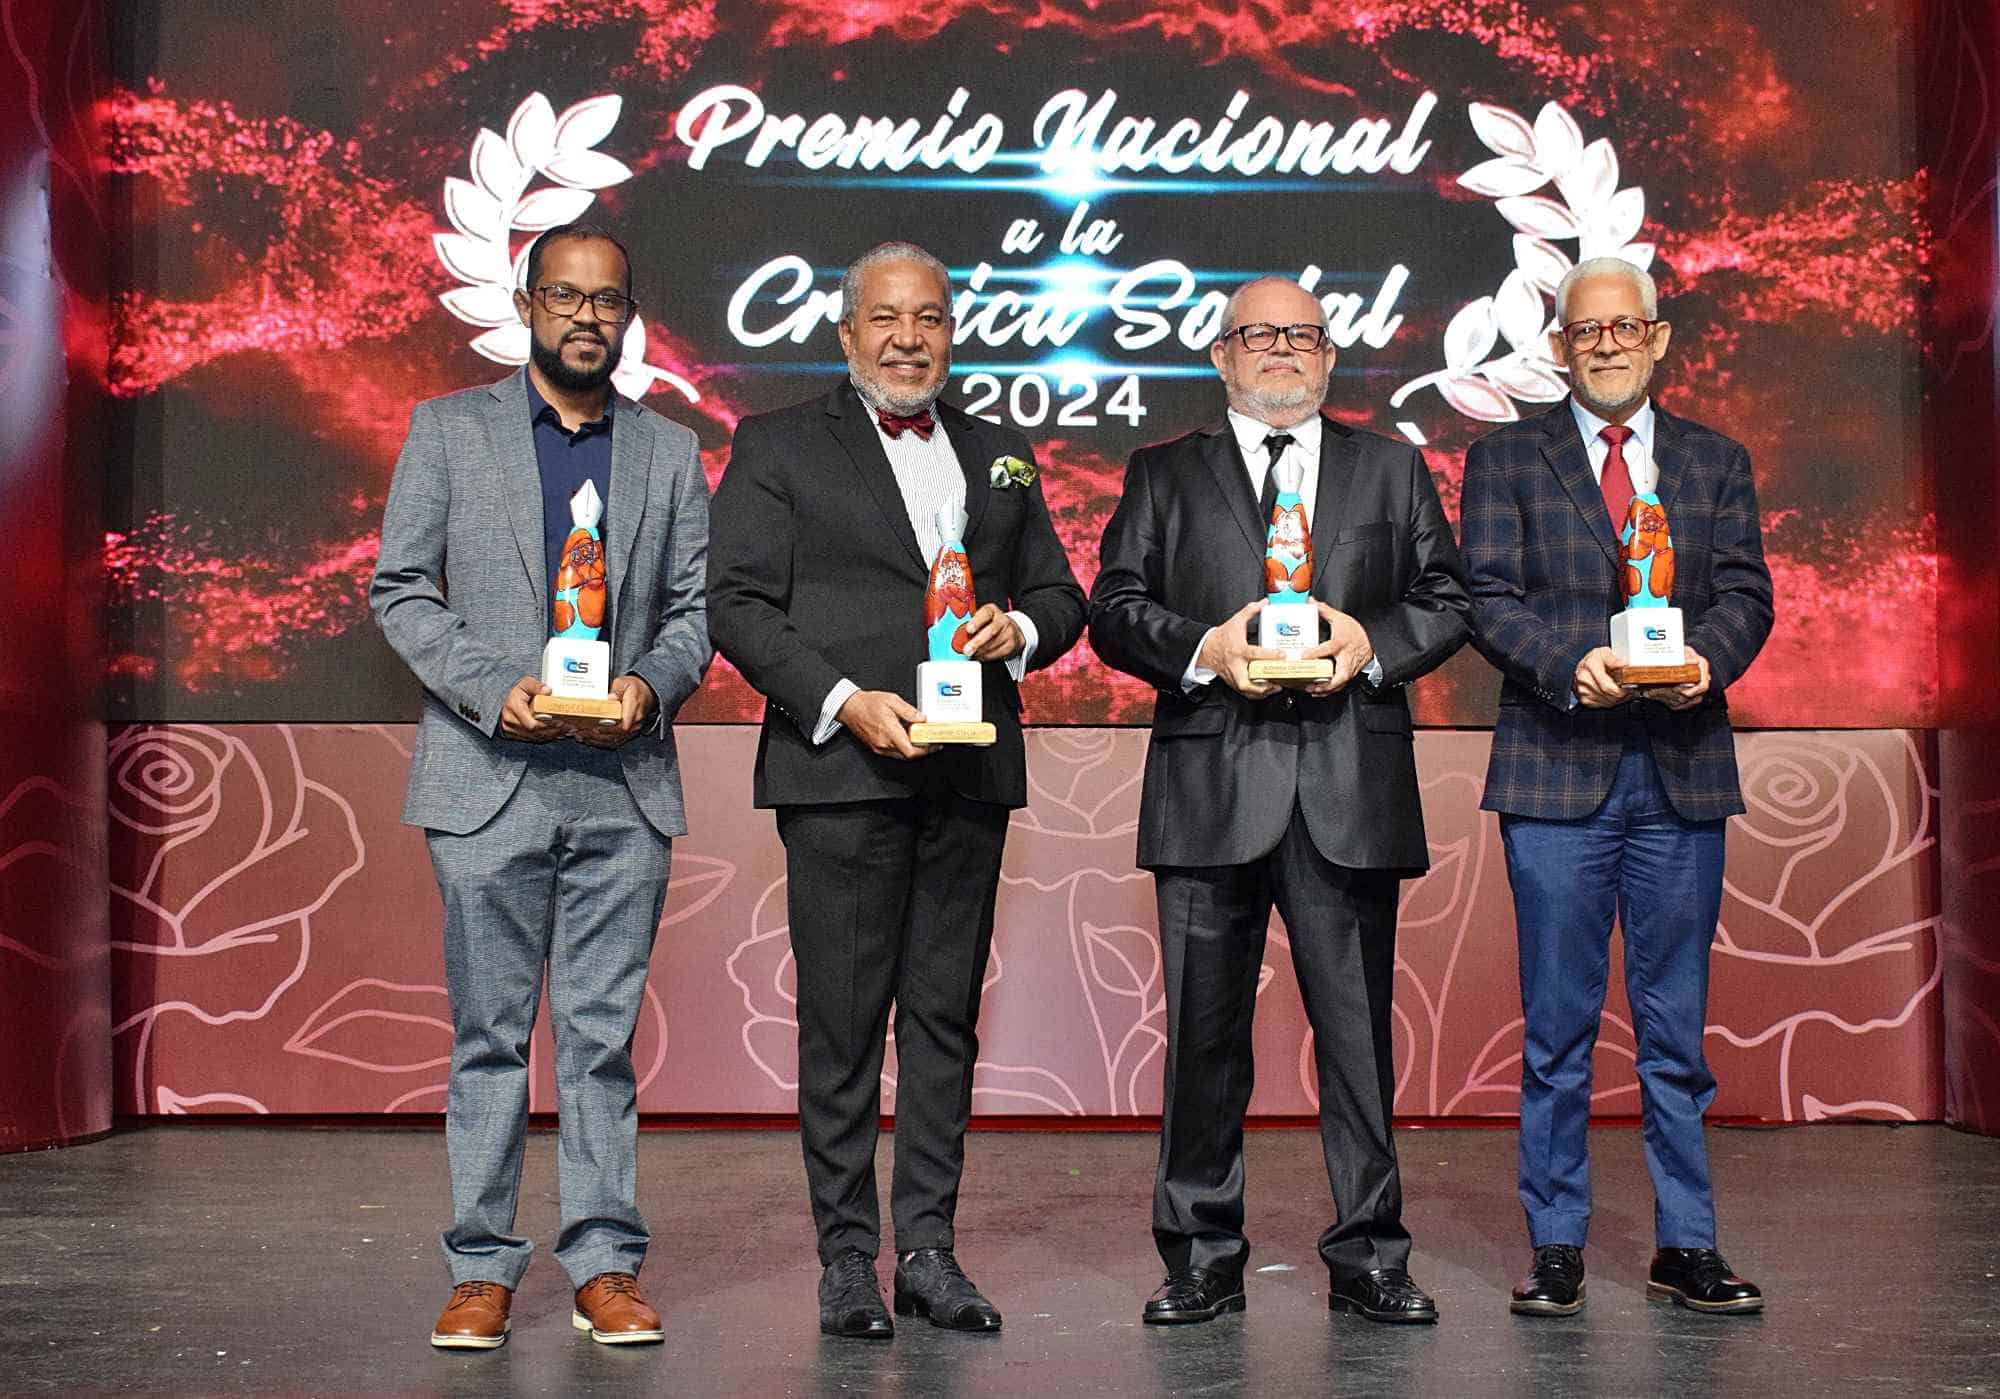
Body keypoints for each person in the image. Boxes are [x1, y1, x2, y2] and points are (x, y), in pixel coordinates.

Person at [705, 241, 1086, 1339]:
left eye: (927, 317)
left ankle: (927, 1251)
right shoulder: (777, 445)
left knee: (942, 1023)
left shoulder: (999, 449)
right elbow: (734, 601)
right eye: (885, 318)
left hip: (967, 773)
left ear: (949, 333)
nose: (907, 337)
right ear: (845, 333)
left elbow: (1058, 594)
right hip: (841, 772)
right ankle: (845, 1260)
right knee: (839, 1027)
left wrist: (1015, 628)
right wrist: (839, 697)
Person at [1089, 276, 1471, 1326]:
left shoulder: (1389, 468)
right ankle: (1201, 1254)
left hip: (1348, 784)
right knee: (1202, 1043)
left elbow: (1447, 599)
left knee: (1356, 1042)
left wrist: (1372, 646)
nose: (1281, 353)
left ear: (1329, 356)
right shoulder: (1162, 473)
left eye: (1301, 336)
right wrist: (1203, 650)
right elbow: (1113, 607)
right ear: (1218, 356)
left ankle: (1369, 1253)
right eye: (1257, 336)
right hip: (1211, 785)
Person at [370, 222, 712, 1349]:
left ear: (627, 317)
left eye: (605, 301)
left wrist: (649, 689)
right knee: (488, 1038)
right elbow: (402, 590)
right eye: (563, 297)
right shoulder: (447, 430)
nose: (584, 318)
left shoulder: (669, 451)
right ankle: (480, 1266)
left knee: (602, 1039)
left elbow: (692, 617)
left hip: (622, 782)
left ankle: (604, 1263)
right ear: (525, 306)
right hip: (487, 777)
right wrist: (491, 687)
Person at [1459, 255, 1774, 1317]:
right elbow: (1487, 601)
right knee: (1554, 1027)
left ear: (1657, 338)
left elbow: (1744, 593)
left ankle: (1684, 1243)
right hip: (1554, 765)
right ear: (1557, 345)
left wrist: (1707, 663)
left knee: (1674, 1030)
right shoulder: (1503, 459)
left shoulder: (1713, 459)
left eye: (1622, 327)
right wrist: (1566, 664)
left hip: (1681, 771)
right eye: (1583, 330)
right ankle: (1555, 1244)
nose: (1603, 343)